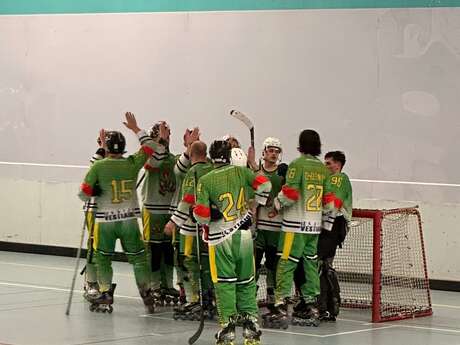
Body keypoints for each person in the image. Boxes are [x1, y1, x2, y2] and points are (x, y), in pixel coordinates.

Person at [78, 112, 167, 313]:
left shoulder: (99, 166)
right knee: (138, 258)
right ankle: (146, 293)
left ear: (106, 147)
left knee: (103, 258)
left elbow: (83, 194)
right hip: (128, 221)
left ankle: (105, 293)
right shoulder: (132, 163)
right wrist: (136, 129)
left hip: (105, 222)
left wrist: (95, 190)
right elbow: (152, 147)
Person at [193, 139, 271, 345]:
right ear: (229, 156)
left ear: (211, 157)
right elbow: (266, 185)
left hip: (220, 240)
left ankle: (227, 329)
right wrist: (254, 205)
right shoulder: (243, 173)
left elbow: (201, 215)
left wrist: (205, 214)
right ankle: (251, 328)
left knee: (225, 285)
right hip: (244, 237)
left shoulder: (206, 180)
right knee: (246, 283)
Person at [263, 129, 329, 328]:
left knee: (286, 262)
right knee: (310, 263)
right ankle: (312, 305)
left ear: (300, 144)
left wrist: (276, 204)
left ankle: (281, 304)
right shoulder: (322, 168)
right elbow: (328, 200)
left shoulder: (297, 165)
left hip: (294, 226)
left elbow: (290, 193)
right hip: (314, 226)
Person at [140, 122, 198, 305]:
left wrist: (190, 145)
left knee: (168, 250)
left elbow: (186, 165)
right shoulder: (150, 157)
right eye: (164, 135)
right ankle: (154, 285)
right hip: (153, 209)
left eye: (168, 135)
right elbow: (153, 163)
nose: (167, 138)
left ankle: (167, 284)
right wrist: (160, 142)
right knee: (154, 249)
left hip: (170, 211)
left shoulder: (174, 158)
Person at [165, 141, 215, 320]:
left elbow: (186, 200)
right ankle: (209, 298)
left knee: (188, 262)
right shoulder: (212, 170)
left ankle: (193, 299)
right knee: (208, 264)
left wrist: (173, 222)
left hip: (189, 227)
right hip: (209, 228)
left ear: (192, 154)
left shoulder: (192, 173)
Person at [252, 138, 288, 309]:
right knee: (255, 261)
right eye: (271, 150)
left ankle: (272, 294)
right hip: (259, 226)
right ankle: (251, 292)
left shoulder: (282, 175)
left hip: (277, 226)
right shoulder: (257, 173)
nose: (274, 154)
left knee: (273, 263)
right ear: (264, 152)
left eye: (277, 151)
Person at [317, 151, 353, 321]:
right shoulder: (328, 179)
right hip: (327, 225)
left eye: (329, 163)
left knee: (322, 264)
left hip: (334, 224)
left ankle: (329, 304)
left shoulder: (339, 178)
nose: (326, 166)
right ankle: (326, 305)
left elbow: (334, 204)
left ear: (337, 165)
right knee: (323, 264)